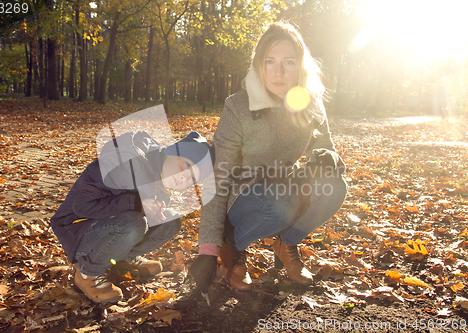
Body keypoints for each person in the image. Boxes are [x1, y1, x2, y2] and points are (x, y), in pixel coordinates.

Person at [190, 21, 347, 291]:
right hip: (243, 196)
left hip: (282, 188)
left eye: (288, 62)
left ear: (300, 66)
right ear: (258, 65)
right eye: (270, 62)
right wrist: (208, 249)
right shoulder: (238, 106)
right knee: (278, 201)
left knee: (334, 186)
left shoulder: (310, 102)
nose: (278, 73)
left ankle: (286, 244)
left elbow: (325, 147)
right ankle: (234, 249)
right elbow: (218, 177)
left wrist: (326, 159)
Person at [51, 130, 213, 303]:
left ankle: (123, 260)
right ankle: (87, 273)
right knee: (134, 224)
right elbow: (82, 205)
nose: (184, 177)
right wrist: (136, 205)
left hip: (109, 227)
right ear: (173, 152)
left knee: (170, 220)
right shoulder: (129, 163)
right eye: (186, 165)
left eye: (192, 178)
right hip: (77, 228)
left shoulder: (162, 177)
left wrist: (153, 213)